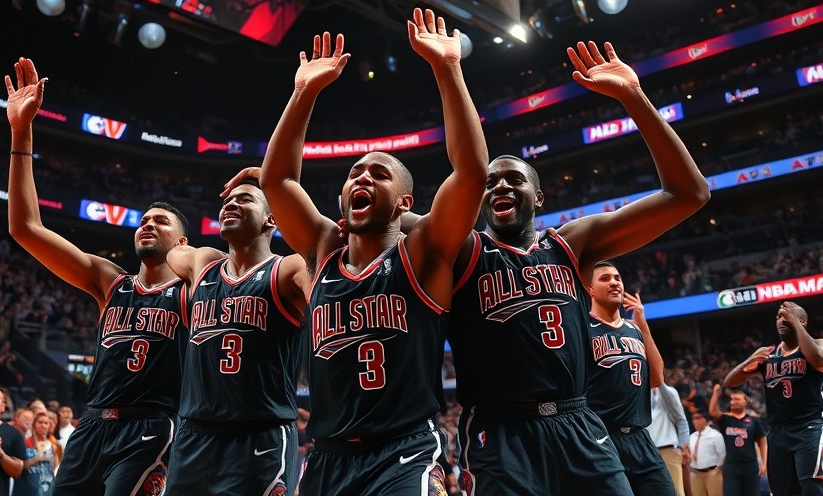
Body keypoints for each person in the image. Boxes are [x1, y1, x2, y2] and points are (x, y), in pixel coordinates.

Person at [395, 40, 709, 494]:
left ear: (538, 198)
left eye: (514, 179)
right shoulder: (460, 248)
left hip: (579, 421)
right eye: (489, 182)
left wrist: (633, 98)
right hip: (500, 430)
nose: (499, 185)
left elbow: (689, 194)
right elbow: (374, 218)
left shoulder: (572, 244)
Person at [241, 8, 489, 494]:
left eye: (378, 173)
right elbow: (277, 180)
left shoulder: (425, 252)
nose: (362, 177)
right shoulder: (321, 252)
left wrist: (448, 68)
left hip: (403, 453)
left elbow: (471, 175)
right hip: (329, 457)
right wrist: (303, 91)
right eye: (355, 172)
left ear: (404, 202)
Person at [5, 57, 189, 496]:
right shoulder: (111, 281)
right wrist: (20, 130)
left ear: (183, 244)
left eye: (161, 221)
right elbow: (25, 228)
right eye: (143, 219)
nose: (148, 224)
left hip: (151, 426)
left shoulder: (194, 288)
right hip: (92, 424)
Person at [164, 177, 309, 495]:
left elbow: (321, 270)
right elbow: (174, 254)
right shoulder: (204, 264)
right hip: (193, 433)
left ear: (272, 219)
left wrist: (280, 186)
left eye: (245, 200)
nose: (230, 204)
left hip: (259, 435)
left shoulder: (287, 269)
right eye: (227, 201)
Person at [585, 261, 674, 495]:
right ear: (590, 289)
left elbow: (656, 378)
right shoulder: (583, 328)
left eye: (617, 278)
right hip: (601, 438)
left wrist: (644, 326)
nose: (614, 282)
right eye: (604, 278)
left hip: (640, 437)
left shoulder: (634, 330)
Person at [723, 301, 822, 496]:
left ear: (802, 321)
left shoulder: (817, 344)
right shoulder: (768, 354)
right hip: (777, 432)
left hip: (809, 428)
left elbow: (817, 358)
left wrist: (793, 320)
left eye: (788, 315)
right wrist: (749, 360)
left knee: (812, 488)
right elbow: (730, 382)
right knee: (782, 491)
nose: (782, 319)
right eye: (778, 316)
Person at [708, 385, 767, 496]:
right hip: (731, 466)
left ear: (745, 402)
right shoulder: (725, 419)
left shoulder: (753, 421)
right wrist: (716, 393)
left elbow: (762, 442)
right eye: (732, 399)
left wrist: (764, 463)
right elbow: (713, 411)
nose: (734, 402)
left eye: (737, 399)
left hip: (750, 466)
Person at [649, 383, 692, 496]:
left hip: (668, 450)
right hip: (647, 451)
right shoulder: (639, 392)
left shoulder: (669, 392)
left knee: (675, 491)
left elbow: (681, 420)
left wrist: (684, 446)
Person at [20, 412, 60, 496]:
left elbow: (55, 469)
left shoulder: (53, 445)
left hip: (48, 487)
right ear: (34, 425)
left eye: (46, 423)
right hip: (29, 487)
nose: (43, 425)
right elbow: (19, 466)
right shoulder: (25, 443)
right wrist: (36, 459)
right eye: (40, 422)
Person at [688, 411, 725, 496]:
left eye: (699, 418)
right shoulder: (691, 437)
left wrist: (718, 468)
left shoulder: (715, 435)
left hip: (712, 472)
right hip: (695, 472)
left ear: (706, 420)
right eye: (694, 419)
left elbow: (722, 453)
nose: (696, 421)